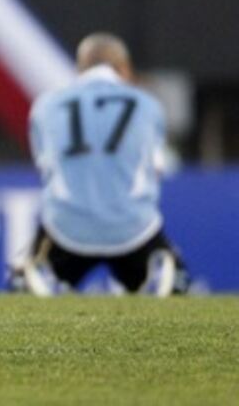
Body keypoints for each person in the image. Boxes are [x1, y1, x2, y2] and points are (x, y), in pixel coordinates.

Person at [17, 32, 189, 296]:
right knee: (179, 284)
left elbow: (46, 168)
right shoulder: (148, 105)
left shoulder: (46, 105)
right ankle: (158, 272)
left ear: (80, 68)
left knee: (20, 283)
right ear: (124, 68)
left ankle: (41, 273)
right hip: (133, 226)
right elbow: (156, 169)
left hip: (66, 225)